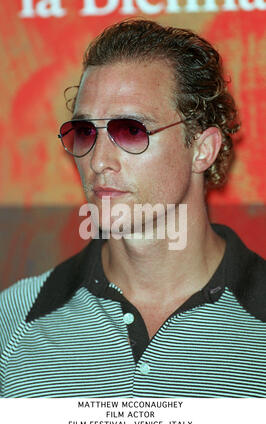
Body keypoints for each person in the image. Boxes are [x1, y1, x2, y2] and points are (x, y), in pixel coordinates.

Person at [0, 19, 265, 398]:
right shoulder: (13, 320)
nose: (98, 161)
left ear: (202, 149)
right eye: (86, 132)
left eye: (131, 131)